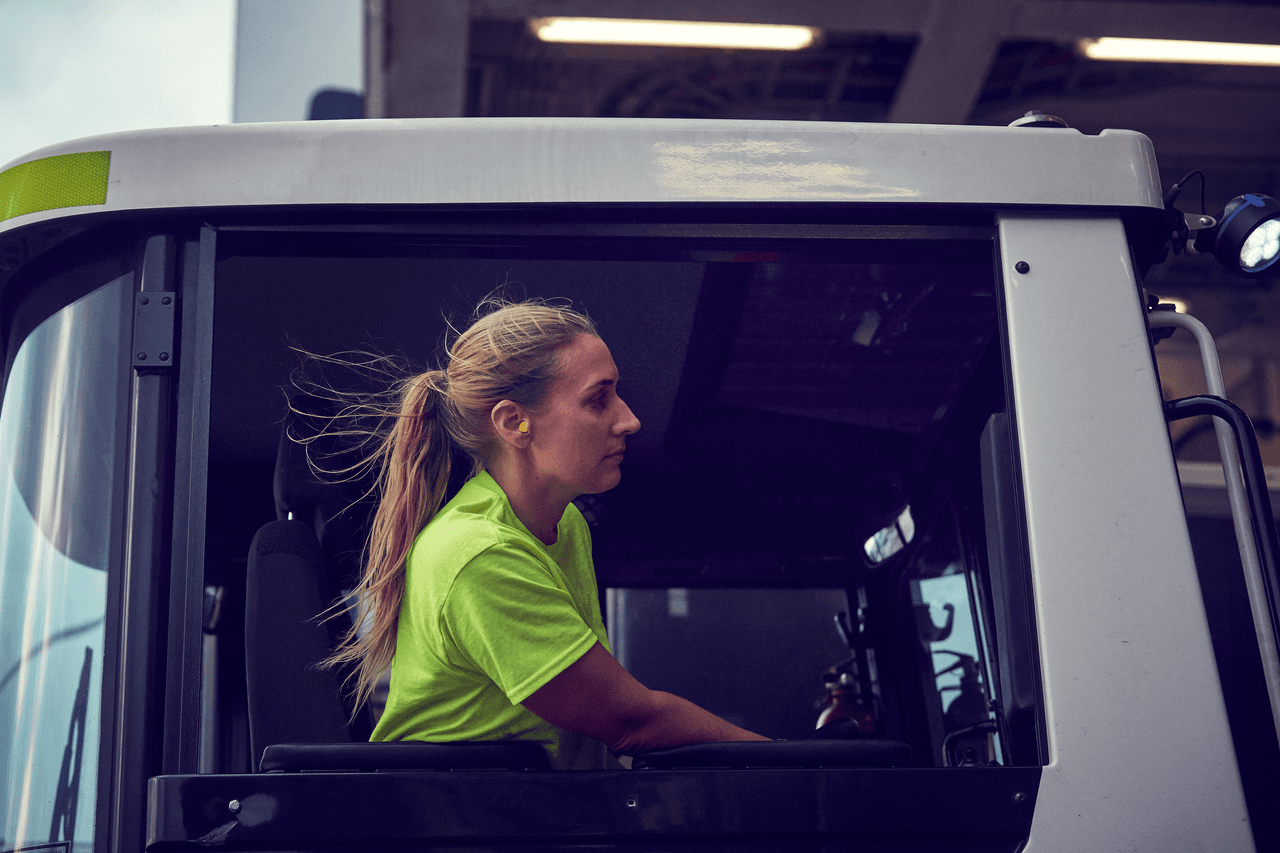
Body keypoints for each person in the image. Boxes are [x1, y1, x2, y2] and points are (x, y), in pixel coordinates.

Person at [322, 298, 767, 769]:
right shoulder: (479, 552)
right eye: (599, 399)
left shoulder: (563, 524)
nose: (629, 420)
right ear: (514, 423)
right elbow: (630, 722)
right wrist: (794, 766)